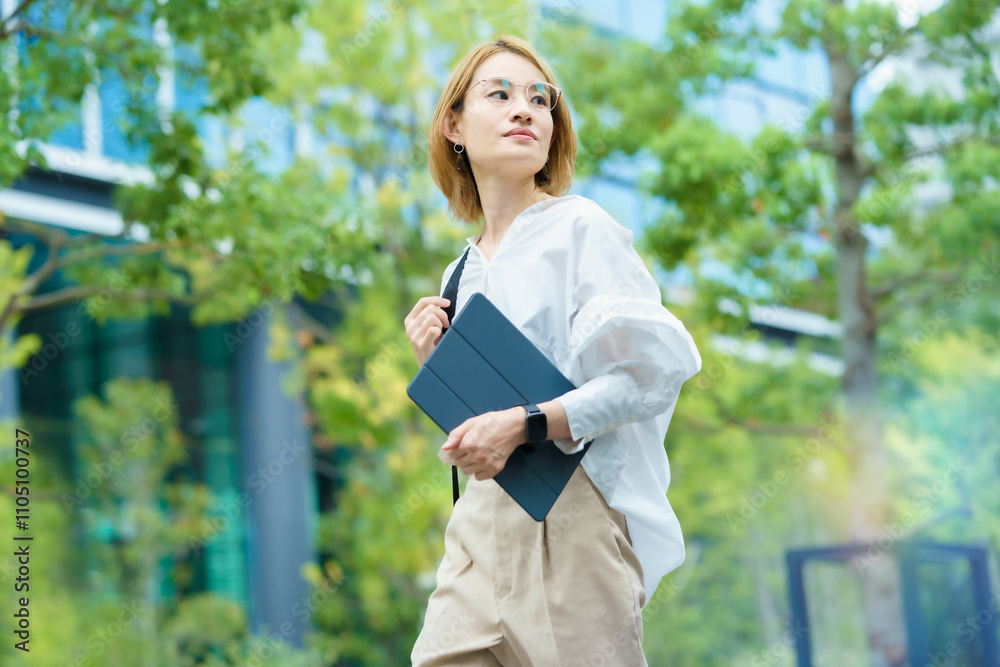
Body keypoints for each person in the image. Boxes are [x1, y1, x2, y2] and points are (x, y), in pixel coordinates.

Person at [404, 34, 702, 667]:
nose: (525, 110)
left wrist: (526, 423)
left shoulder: (581, 229)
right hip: (478, 526)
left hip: (573, 519)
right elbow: (478, 412)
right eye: (501, 94)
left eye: (540, 100)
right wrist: (434, 361)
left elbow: (646, 380)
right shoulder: (458, 273)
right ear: (453, 124)